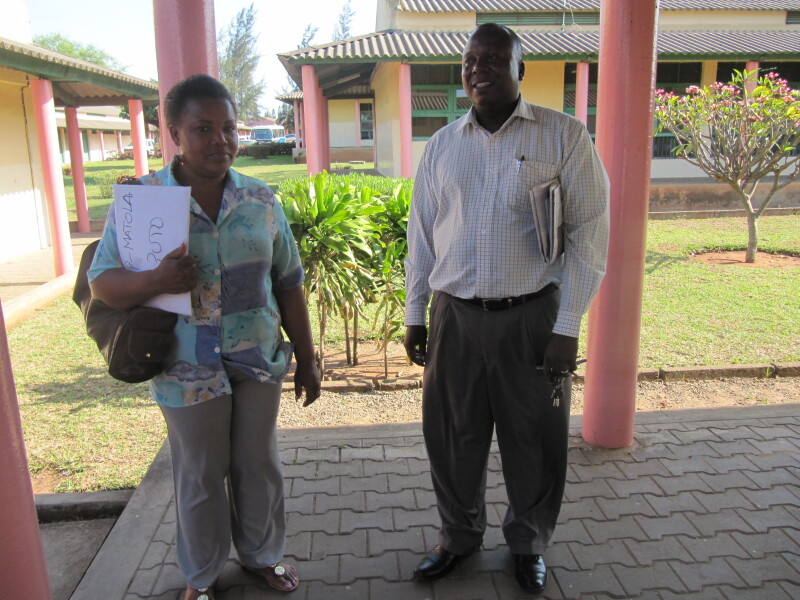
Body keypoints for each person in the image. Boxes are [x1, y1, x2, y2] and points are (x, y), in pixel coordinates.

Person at [88, 74, 320, 600]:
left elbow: (289, 283)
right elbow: (103, 283)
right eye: (203, 129)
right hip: (184, 364)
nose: (221, 140)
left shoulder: (261, 200)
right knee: (199, 474)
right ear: (174, 132)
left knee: (257, 464)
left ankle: (261, 555)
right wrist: (154, 281)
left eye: (229, 128)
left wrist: (307, 357)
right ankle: (201, 575)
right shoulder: (142, 202)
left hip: (257, 357)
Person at [403, 24, 609, 593]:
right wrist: (415, 312)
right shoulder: (442, 145)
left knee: (535, 436)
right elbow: (421, 236)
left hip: (532, 318)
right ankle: (458, 536)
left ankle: (528, 543)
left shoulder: (564, 136)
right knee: (451, 435)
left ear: (522, 68)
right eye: (471, 61)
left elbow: (591, 235)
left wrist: (568, 326)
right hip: (456, 317)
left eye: (495, 59)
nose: (479, 69)